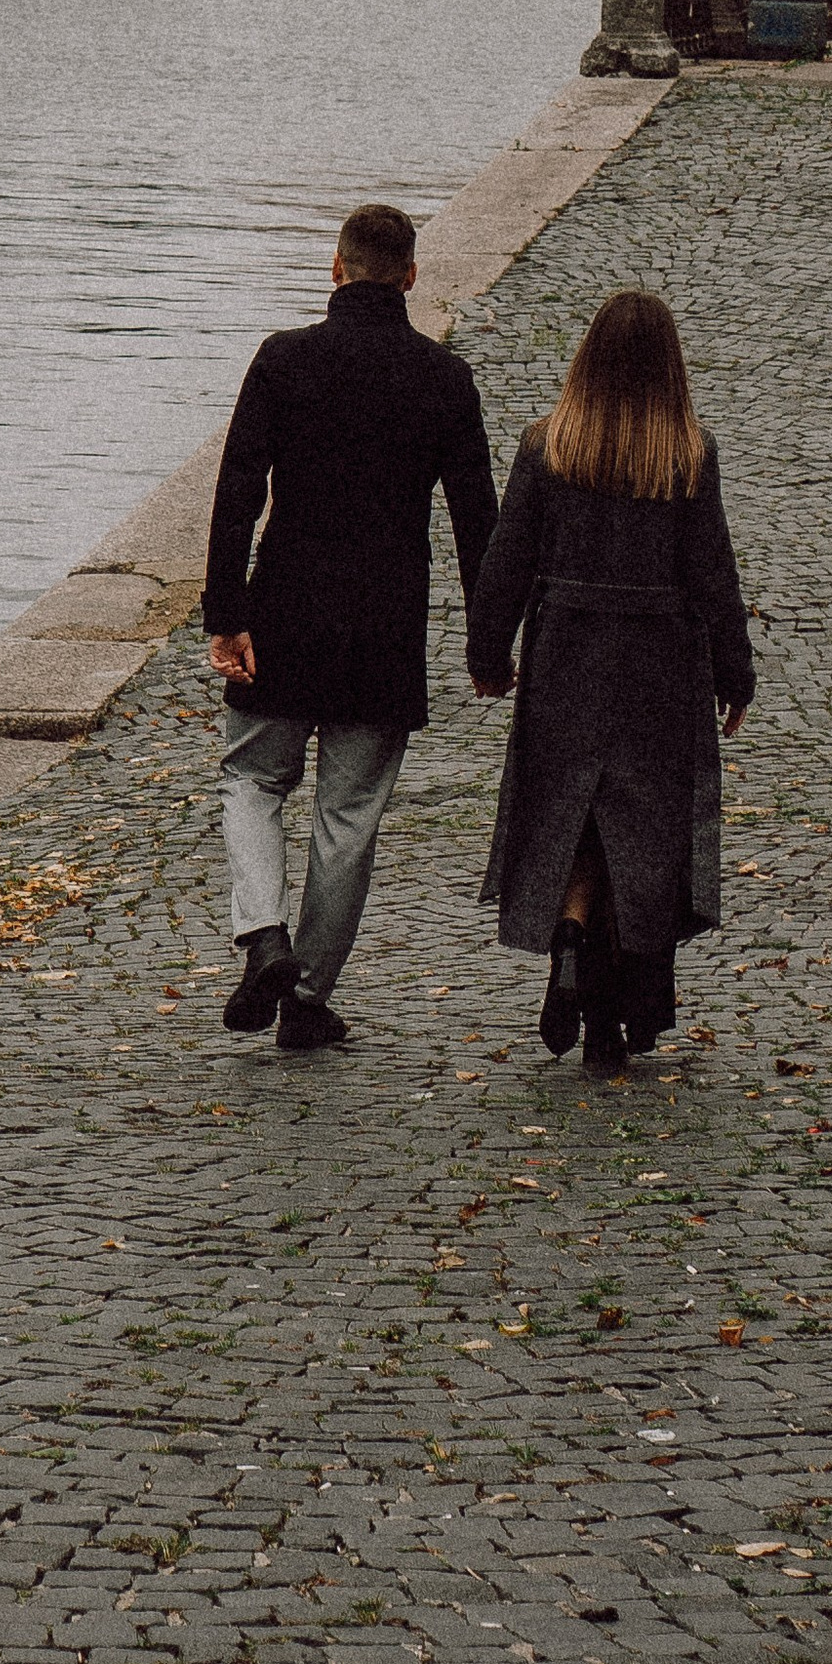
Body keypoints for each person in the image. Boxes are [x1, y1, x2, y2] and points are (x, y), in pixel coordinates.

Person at [203, 200, 496, 1053]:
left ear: (335, 270)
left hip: (285, 608)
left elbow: (237, 490)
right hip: (384, 625)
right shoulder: (444, 379)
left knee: (253, 779)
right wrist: (487, 642)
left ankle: (262, 934)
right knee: (349, 817)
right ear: (410, 275)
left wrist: (227, 612)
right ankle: (306, 997)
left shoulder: (283, 360)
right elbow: (479, 519)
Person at [464, 291, 753, 1081]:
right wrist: (737, 674)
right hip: (659, 667)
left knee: (577, 820)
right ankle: (609, 1027)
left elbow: (504, 564)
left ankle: (569, 930)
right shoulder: (687, 454)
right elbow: (713, 575)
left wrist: (489, 655)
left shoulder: (544, 447)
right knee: (641, 838)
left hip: (565, 656)